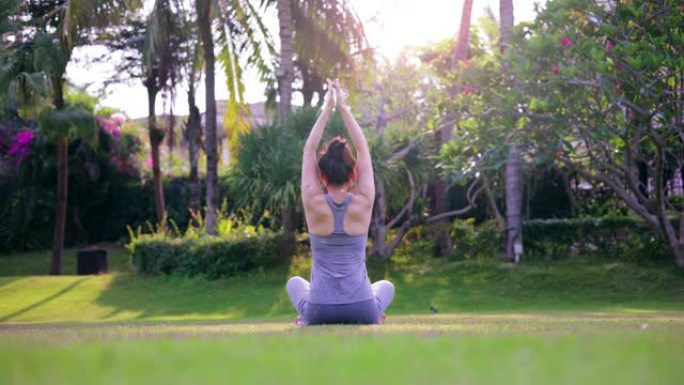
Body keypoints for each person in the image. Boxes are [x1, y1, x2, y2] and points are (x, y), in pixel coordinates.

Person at [286, 79, 395, 325]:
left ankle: (304, 318)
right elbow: (363, 149)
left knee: (295, 283)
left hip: (318, 311)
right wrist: (344, 109)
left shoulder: (313, 202)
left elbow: (309, 150)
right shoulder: (364, 201)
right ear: (353, 173)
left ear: (321, 175)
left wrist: (327, 109)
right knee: (385, 285)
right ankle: (376, 315)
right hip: (363, 310)